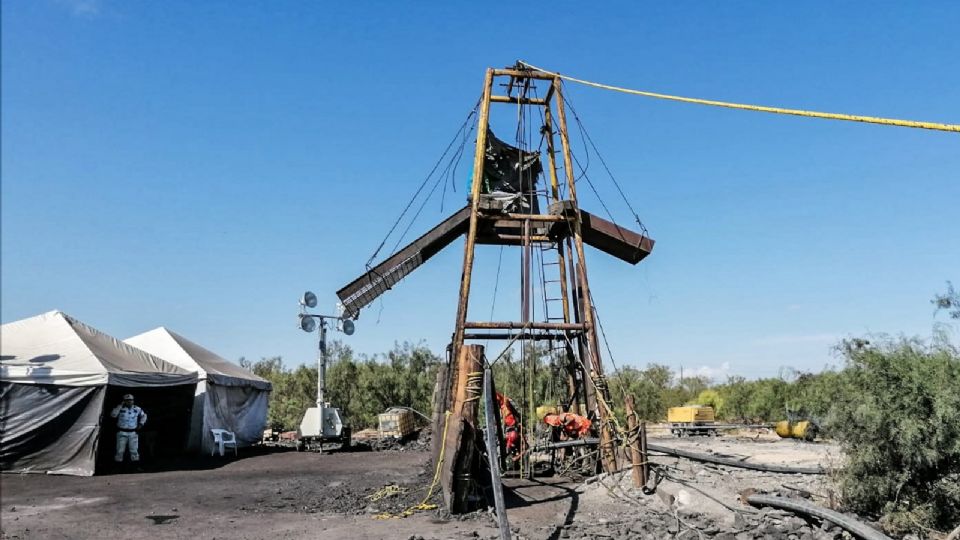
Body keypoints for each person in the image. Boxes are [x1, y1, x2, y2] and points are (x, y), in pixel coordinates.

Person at [110, 394, 147, 470]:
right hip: (122, 432)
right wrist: (120, 405)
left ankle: (136, 467)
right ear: (124, 401)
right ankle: (118, 468)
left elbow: (144, 415)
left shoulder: (137, 409)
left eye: (131, 400)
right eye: (127, 400)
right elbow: (113, 415)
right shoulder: (120, 408)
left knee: (134, 450)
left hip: (133, 432)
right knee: (120, 450)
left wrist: (141, 423)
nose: (129, 402)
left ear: (133, 401)